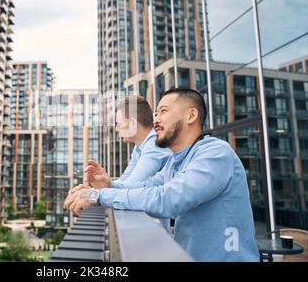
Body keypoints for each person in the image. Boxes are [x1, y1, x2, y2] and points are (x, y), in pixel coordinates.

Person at [64, 88, 260, 262]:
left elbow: (168, 199)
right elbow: (145, 187)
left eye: (163, 111)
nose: (155, 119)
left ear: (191, 115)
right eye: (156, 113)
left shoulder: (216, 153)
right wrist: (106, 187)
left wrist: (97, 196)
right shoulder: (175, 162)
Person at [86, 95, 171, 189]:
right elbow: (125, 180)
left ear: (133, 123)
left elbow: (130, 186)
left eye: (119, 123)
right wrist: (102, 184)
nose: (117, 129)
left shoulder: (155, 145)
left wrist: (102, 189)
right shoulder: (139, 148)